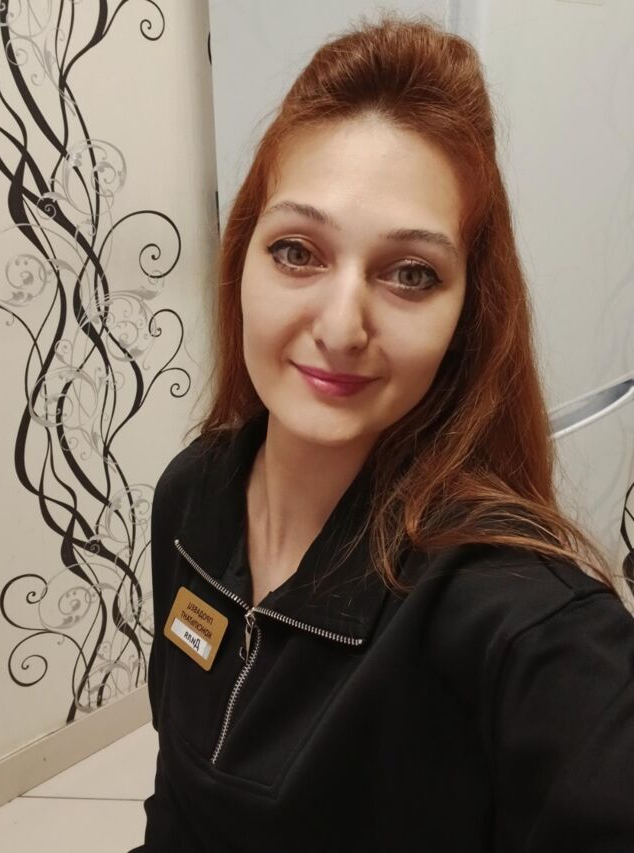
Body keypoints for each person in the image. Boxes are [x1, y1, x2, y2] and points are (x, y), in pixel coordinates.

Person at [129, 11, 634, 852]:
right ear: (242, 258)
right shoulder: (193, 493)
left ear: (467, 313)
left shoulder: (517, 616)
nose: (341, 326)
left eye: (410, 273)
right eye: (298, 252)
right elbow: (177, 802)